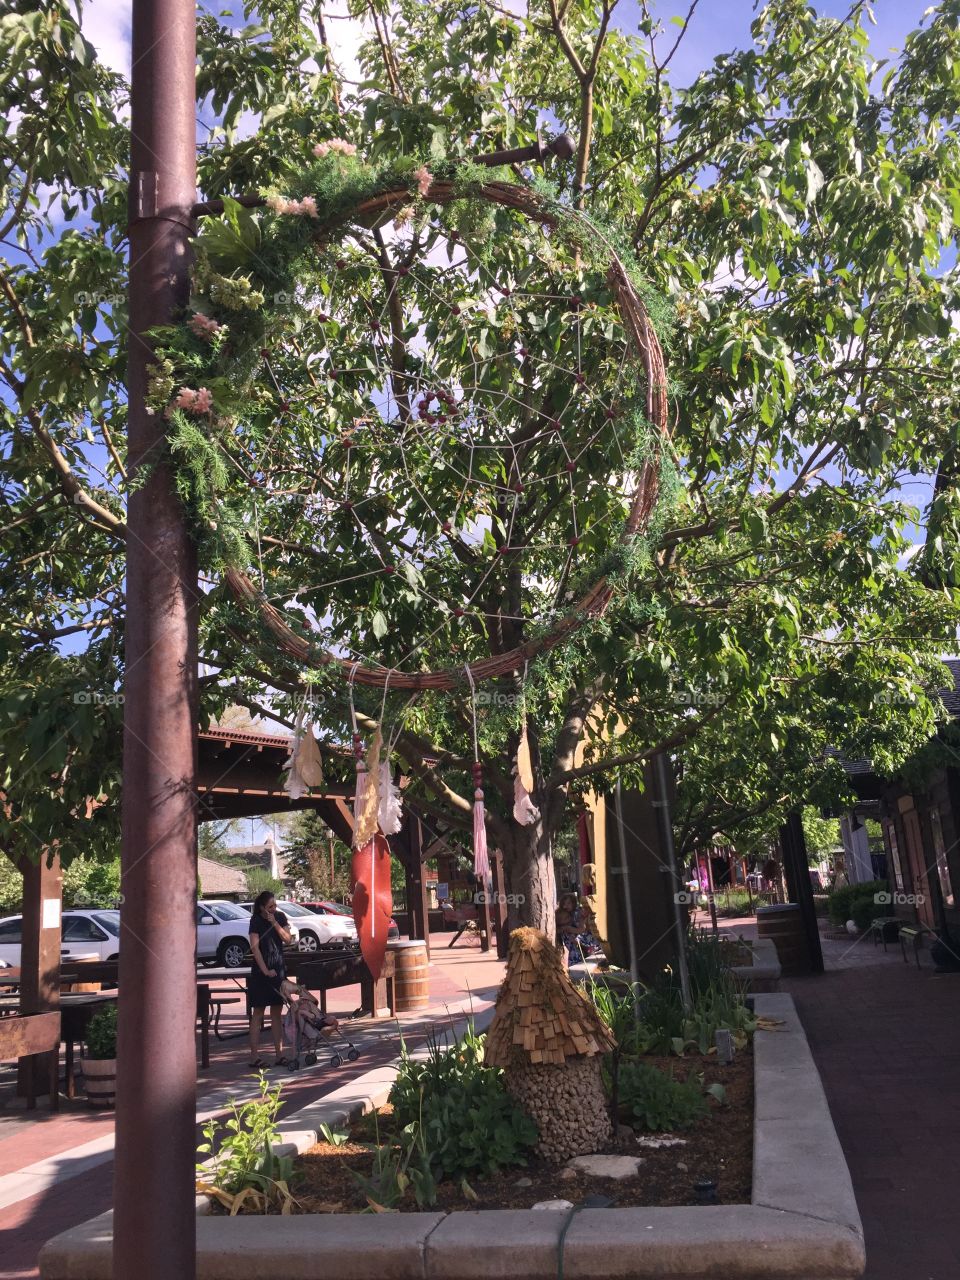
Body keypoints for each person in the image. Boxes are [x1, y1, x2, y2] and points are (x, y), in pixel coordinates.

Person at [247, 891, 292, 1069]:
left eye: (275, 906)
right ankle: (254, 1057)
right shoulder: (255, 920)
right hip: (261, 971)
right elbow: (254, 947)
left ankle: (279, 1054)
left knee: (276, 1012)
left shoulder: (280, 917)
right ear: (261, 908)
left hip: (278, 967)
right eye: (269, 907)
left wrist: (274, 923)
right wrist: (265, 970)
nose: (273, 909)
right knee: (258, 1013)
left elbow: (288, 939)